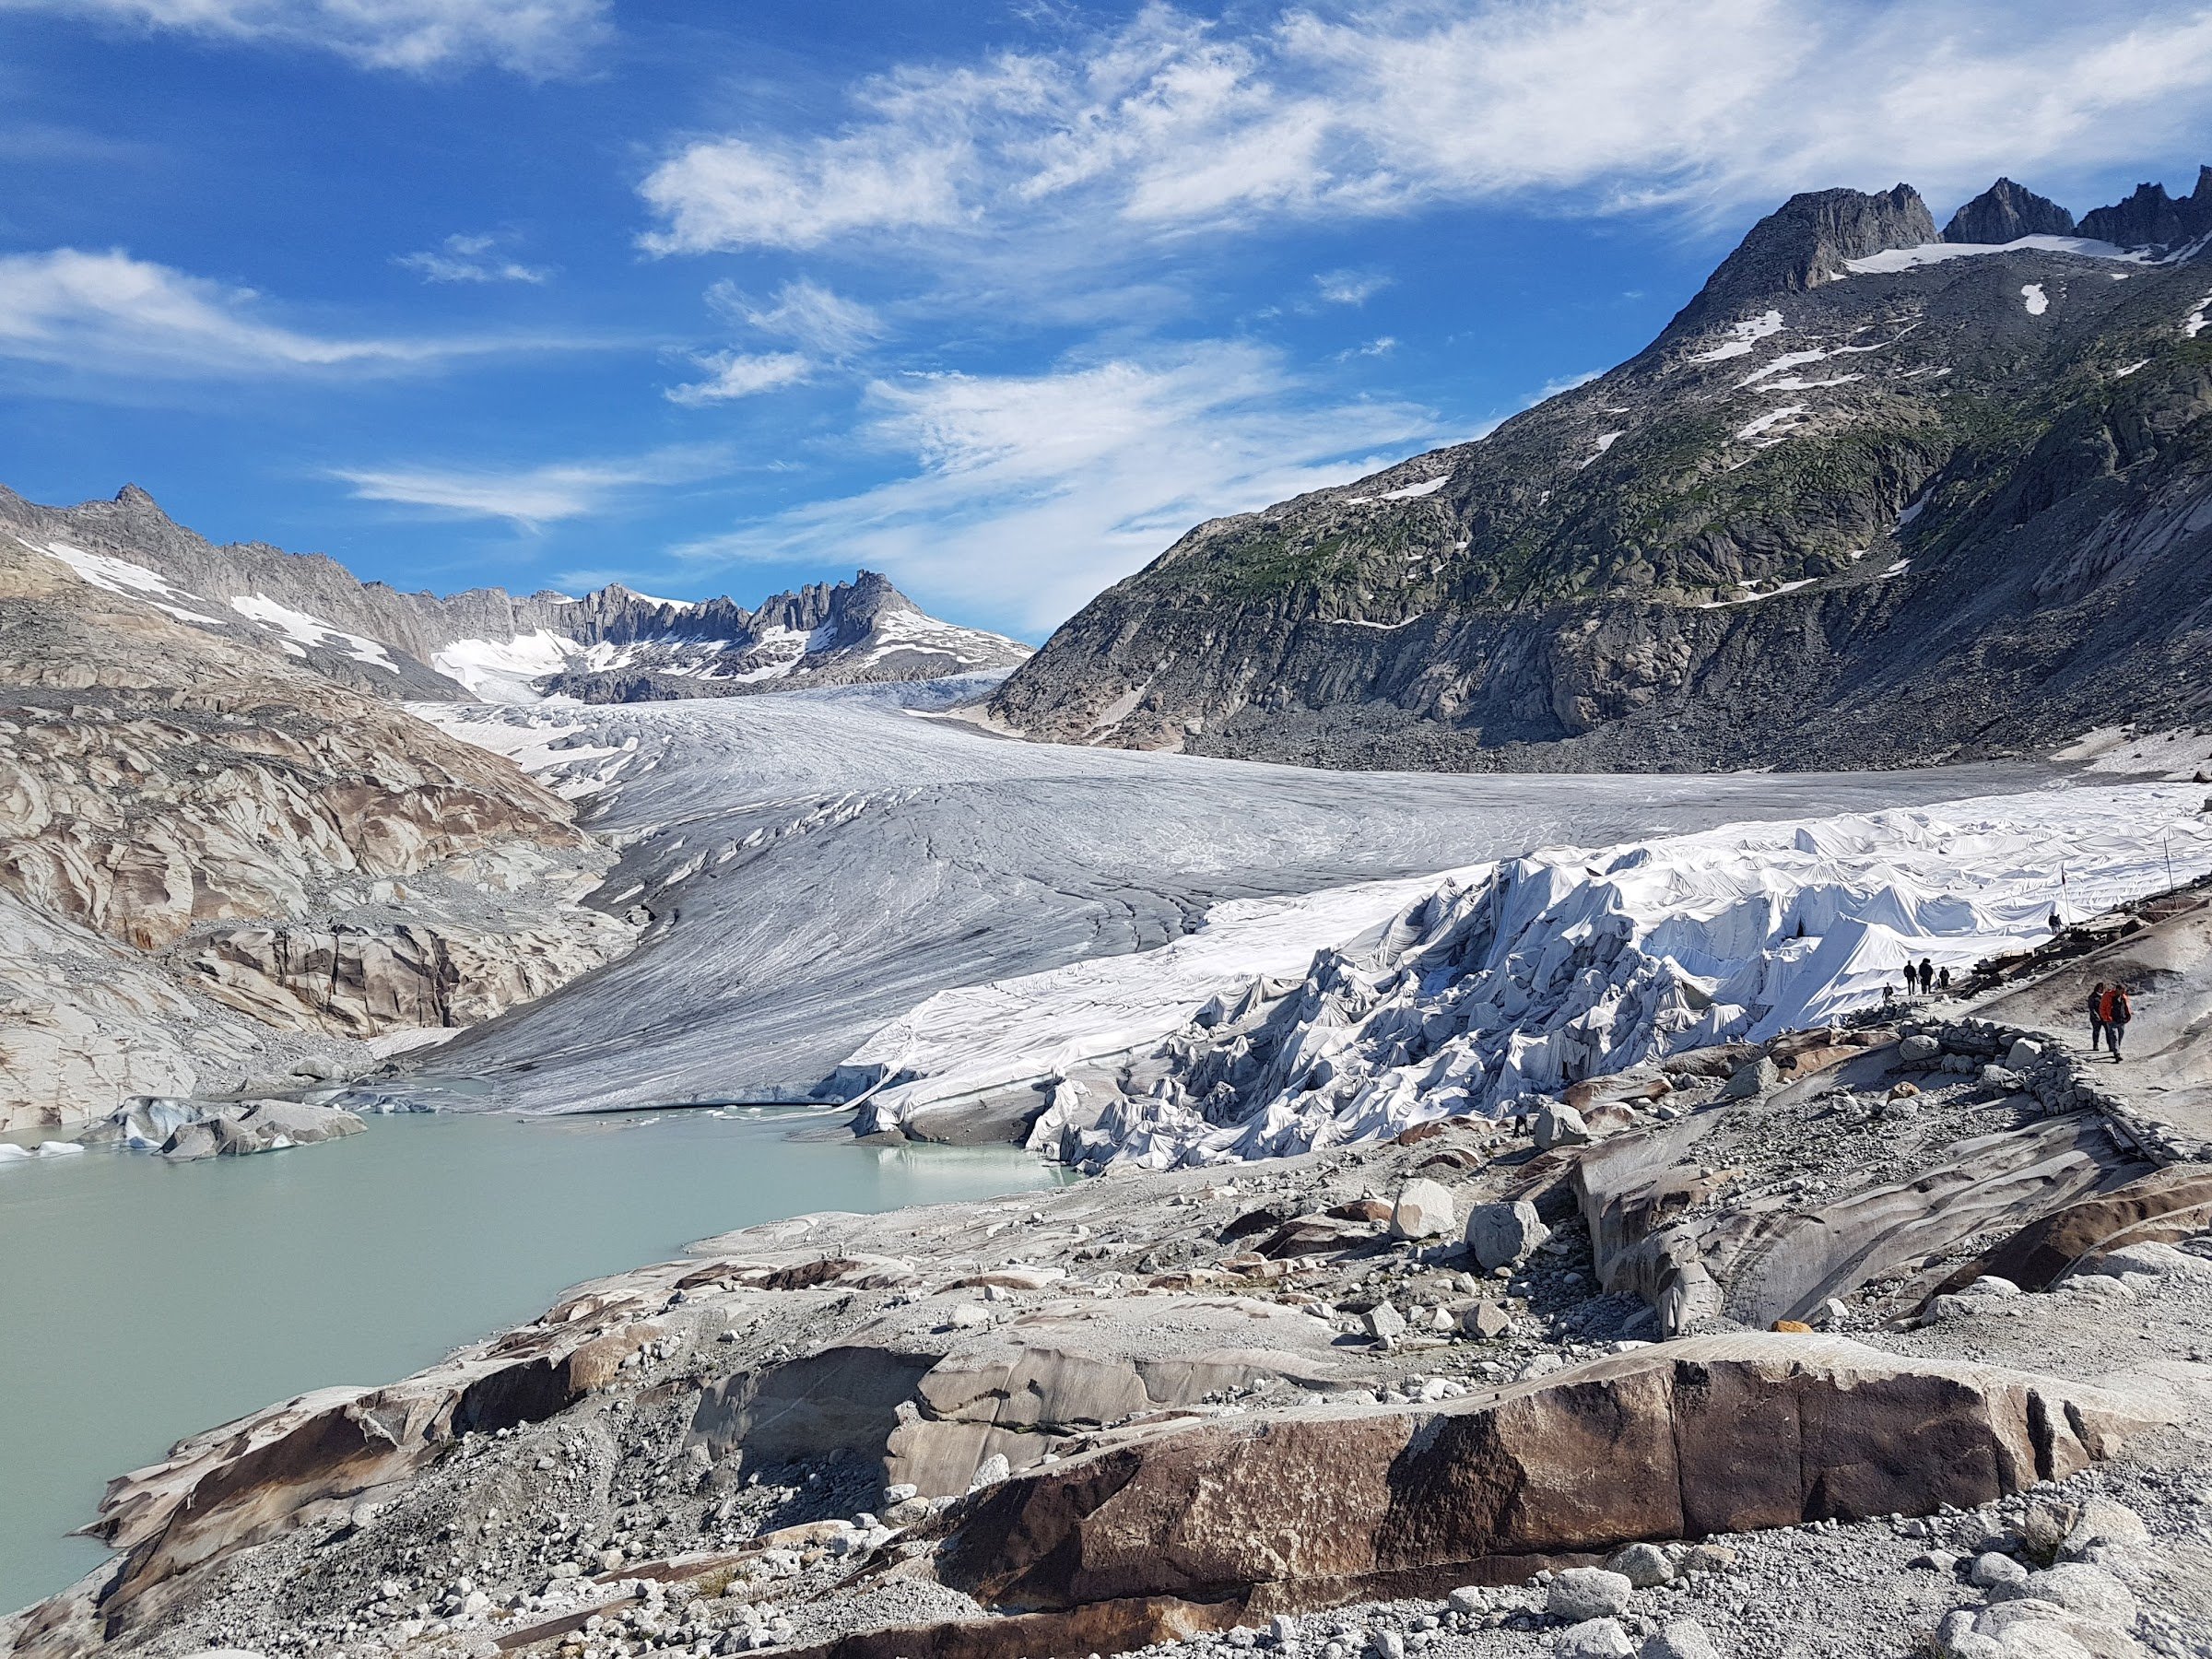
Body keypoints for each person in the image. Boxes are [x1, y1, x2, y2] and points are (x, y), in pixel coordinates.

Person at [2100, 982, 2133, 1061]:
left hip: (2122, 1020)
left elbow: (2127, 1007)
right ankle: (2117, 1054)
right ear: (2117, 989)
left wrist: (2128, 1016)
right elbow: (2102, 1008)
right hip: (2112, 1020)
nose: (2123, 992)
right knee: (2114, 1036)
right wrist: (2107, 1018)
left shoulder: (2124, 997)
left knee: (2120, 1036)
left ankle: (2116, 1049)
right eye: (2122, 990)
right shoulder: (2108, 996)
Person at [2088, 981, 2110, 1053]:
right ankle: (2095, 1045)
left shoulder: (2106, 996)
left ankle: (2111, 1046)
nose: (2101, 989)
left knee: (2109, 1031)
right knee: (2096, 1031)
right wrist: (2096, 1016)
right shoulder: (2093, 996)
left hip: (2105, 1017)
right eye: (2100, 987)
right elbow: (2091, 1008)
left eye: (2103, 988)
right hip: (2096, 1018)